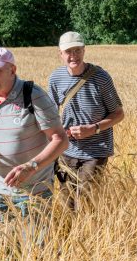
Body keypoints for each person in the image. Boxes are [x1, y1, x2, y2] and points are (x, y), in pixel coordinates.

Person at [0, 46, 68, 223]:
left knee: (36, 247)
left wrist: (31, 166)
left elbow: (60, 140)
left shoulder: (33, 96)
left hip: (34, 191)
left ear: (12, 70)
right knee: (1, 247)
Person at [48, 31, 125, 210]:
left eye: (77, 50)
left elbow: (119, 113)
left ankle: (88, 234)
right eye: (68, 52)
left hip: (96, 151)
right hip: (66, 149)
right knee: (67, 201)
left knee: (85, 201)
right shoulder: (55, 78)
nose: (73, 56)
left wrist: (94, 128)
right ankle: (71, 235)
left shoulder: (101, 78)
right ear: (60, 54)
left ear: (84, 50)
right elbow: (50, 114)